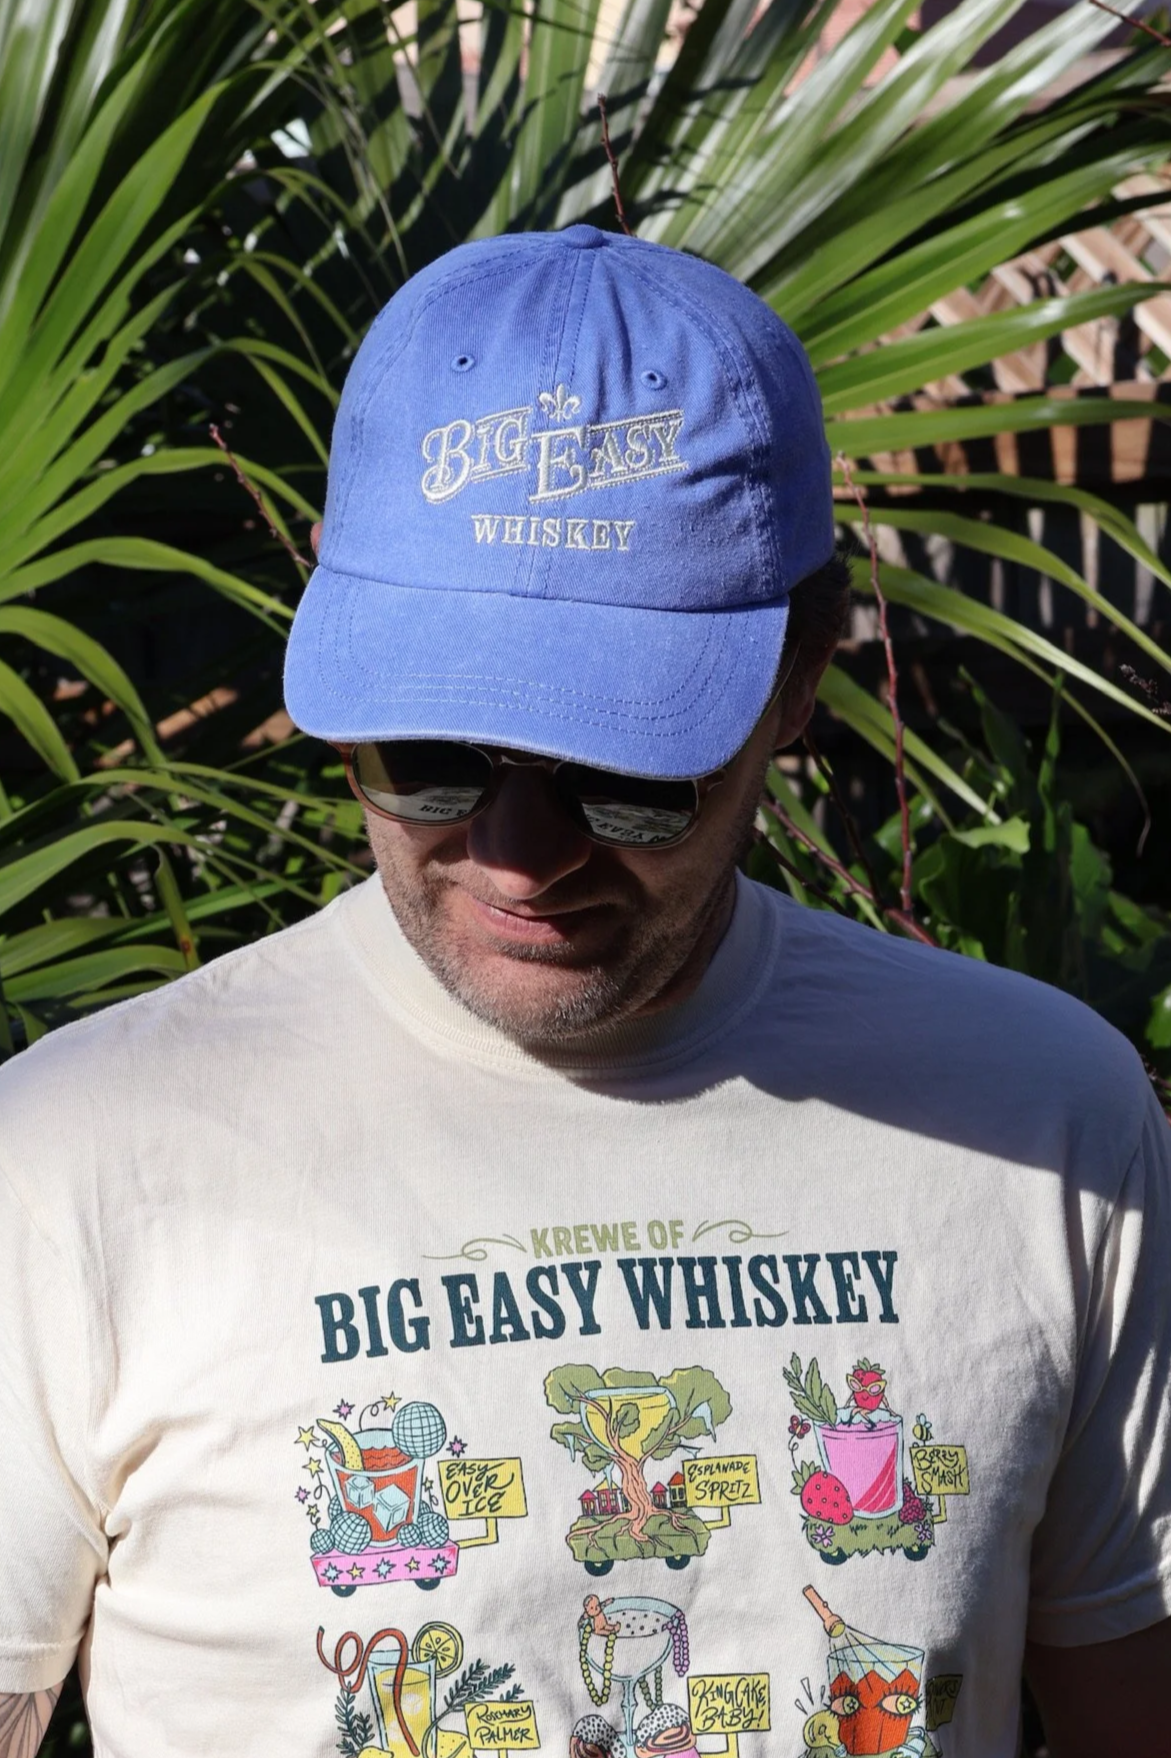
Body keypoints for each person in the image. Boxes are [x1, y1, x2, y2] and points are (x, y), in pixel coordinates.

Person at [0, 226, 1167, 1758]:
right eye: (428, 753)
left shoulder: (1042, 1117)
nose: (514, 853)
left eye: (624, 771)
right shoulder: (80, 1153)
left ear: (795, 680)